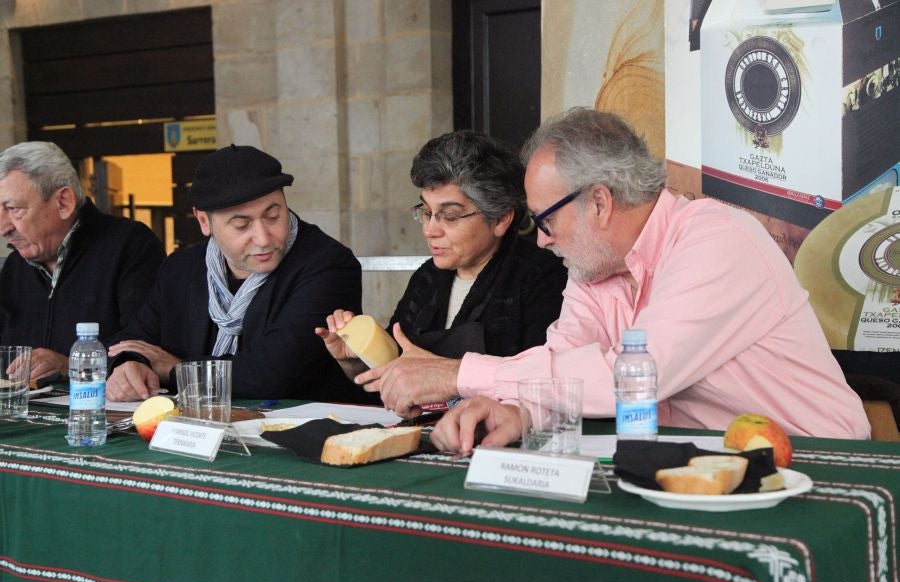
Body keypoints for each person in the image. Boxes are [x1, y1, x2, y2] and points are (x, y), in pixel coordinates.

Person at [355, 108, 872, 453]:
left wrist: (459, 375)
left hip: (818, 464)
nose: (541, 240)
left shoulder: (718, 239)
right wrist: (516, 412)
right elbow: (564, 365)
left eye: (545, 220)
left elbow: (636, 380)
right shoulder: (594, 266)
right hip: (696, 465)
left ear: (599, 202)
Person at [106, 144, 366, 403]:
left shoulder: (327, 265)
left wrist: (174, 369)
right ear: (204, 221)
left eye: (273, 216)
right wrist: (130, 364)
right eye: (242, 225)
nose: (263, 238)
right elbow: (131, 339)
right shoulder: (181, 269)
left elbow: (272, 374)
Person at [315, 130, 567, 383]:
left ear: (501, 218)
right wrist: (355, 361)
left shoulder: (541, 277)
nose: (429, 230)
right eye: (426, 212)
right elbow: (391, 375)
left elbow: (539, 382)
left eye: (451, 216)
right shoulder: (428, 278)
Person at [0, 141, 164, 383]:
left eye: (13, 209)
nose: (3, 227)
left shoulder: (131, 246)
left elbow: (146, 343)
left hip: (102, 412)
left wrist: (70, 365)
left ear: (63, 202)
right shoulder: (15, 266)